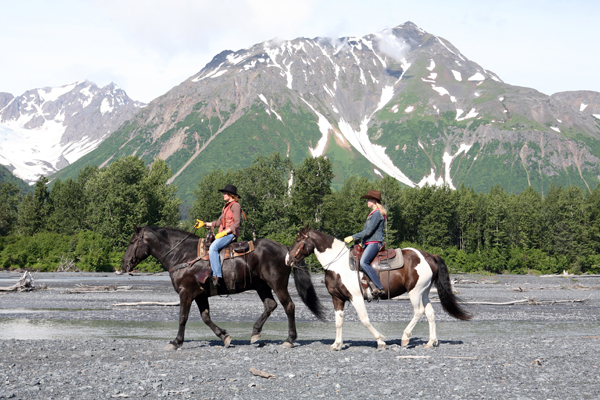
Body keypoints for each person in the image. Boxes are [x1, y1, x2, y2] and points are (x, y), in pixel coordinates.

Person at [196, 184, 241, 286]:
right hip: (223, 235)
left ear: (231, 195)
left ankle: (217, 276)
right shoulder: (226, 207)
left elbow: (237, 223)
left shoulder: (235, 206)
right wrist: (205, 223)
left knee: (213, 248)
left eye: (225, 193)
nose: (223, 195)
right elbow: (218, 222)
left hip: (230, 235)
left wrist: (225, 232)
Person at [344, 189, 387, 298]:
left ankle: (379, 287)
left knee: (364, 262)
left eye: (369, 199)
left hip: (374, 243)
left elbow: (368, 231)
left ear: (374, 201)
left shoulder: (377, 214)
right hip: (368, 243)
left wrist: (353, 237)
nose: (367, 201)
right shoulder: (373, 213)